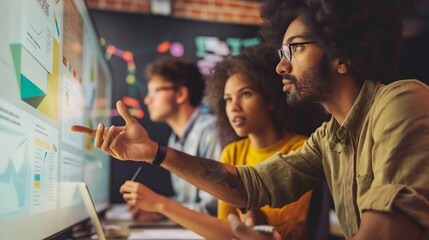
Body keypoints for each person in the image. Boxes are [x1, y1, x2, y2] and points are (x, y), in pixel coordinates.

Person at [71, 0, 429, 239]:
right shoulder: (328, 138)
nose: (281, 65)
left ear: (342, 54)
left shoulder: (400, 102)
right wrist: (155, 153)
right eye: (282, 52)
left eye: (297, 48)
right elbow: (250, 184)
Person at [118, 44, 321, 239]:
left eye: (246, 94)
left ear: (270, 98)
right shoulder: (233, 152)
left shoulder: (301, 150)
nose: (234, 107)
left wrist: (160, 205)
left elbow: (276, 234)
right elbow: (225, 229)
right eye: (227, 99)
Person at [134, 57, 223, 221]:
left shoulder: (211, 131)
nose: (147, 99)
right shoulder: (174, 139)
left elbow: (215, 208)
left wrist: (161, 209)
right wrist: (154, 208)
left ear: (181, 94)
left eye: (155, 91)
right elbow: (187, 202)